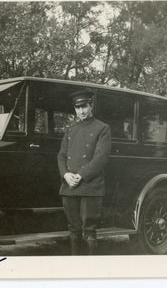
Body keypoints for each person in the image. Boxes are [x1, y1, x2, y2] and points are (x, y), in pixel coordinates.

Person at [57, 90, 112, 255]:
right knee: (73, 229)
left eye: (84, 106)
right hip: (69, 186)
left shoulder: (102, 128)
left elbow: (101, 158)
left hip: (90, 186)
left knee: (89, 230)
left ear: (91, 106)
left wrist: (80, 175)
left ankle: (90, 270)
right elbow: (61, 155)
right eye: (77, 107)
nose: (81, 111)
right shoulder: (70, 129)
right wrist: (65, 175)